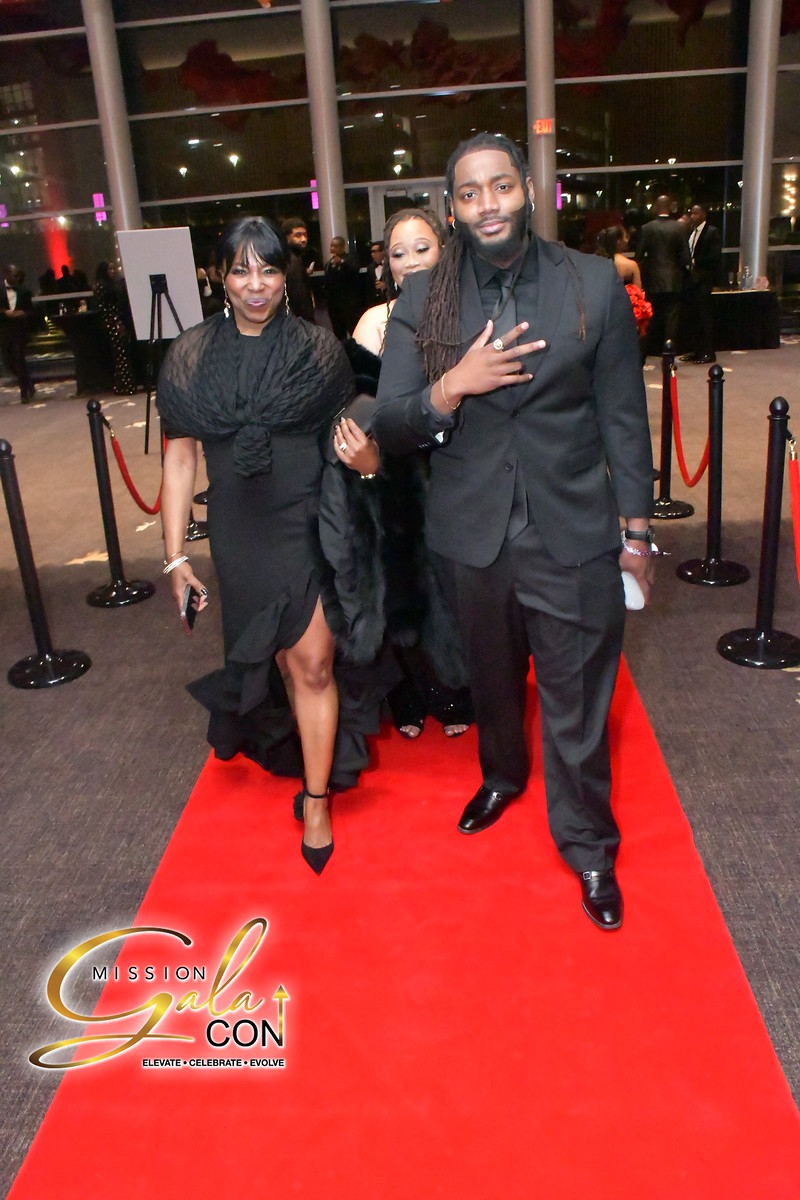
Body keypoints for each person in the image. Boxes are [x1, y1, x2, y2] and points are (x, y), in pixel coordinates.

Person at [373, 133, 656, 930]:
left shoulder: (591, 284)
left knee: (577, 698)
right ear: (452, 208)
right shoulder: (423, 297)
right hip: (471, 533)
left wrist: (638, 533)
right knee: (491, 680)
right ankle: (501, 775)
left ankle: (589, 845)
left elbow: (624, 418)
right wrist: (451, 388)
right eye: (469, 193)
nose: (487, 204)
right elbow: (390, 422)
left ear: (529, 189)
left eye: (500, 186)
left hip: (573, 527)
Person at [157, 216, 356, 875]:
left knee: (314, 662)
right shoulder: (190, 355)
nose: (256, 284)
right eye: (241, 270)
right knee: (281, 660)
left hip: (307, 518)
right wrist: (176, 557)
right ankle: (291, 742)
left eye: (269, 269)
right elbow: (180, 460)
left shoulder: (317, 350)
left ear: (284, 275)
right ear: (220, 276)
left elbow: (342, 439)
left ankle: (317, 799)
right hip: (239, 531)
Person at [341, 207, 473, 739]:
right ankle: (409, 694)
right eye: (399, 253)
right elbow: (359, 405)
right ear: (386, 264)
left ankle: (460, 690)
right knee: (402, 584)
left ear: (445, 250)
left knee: (455, 586)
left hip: (457, 464)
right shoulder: (373, 322)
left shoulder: (468, 308)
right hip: (391, 471)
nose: (412, 261)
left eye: (423, 248)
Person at [636, 194, 690, 357]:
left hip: (653, 279)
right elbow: (685, 257)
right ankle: (669, 349)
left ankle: (647, 349)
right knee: (671, 317)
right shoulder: (679, 228)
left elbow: (639, 255)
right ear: (670, 207)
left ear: (657, 207)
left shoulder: (647, 228)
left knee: (650, 316)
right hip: (673, 279)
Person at [680, 203, 722, 364]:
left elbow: (714, 256)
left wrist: (695, 261)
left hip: (704, 280)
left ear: (704, 214)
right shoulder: (691, 232)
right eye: (691, 213)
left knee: (704, 317)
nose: (692, 216)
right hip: (692, 281)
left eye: (696, 213)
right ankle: (696, 350)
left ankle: (708, 352)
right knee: (694, 317)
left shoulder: (711, 232)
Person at [93, 261, 138, 394]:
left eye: (113, 269)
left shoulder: (110, 284)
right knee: (121, 355)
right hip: (113, 322)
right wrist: (116, 321)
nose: (112, 272)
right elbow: (107, 307)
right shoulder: (103, 286)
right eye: (109, 269)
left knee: (122, 354)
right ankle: (124, 385)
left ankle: (124, 385)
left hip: (115, 321)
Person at [0, 265, 35, 403]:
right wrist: (5, 312)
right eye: (15, 276)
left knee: (19, 359)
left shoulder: (24, 291)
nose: (17, 278)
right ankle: (28, 383)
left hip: (19, 331)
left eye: (18, 275)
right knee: (8, 361)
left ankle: (24, 393)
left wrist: (23, 313)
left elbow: (32, 311)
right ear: (6, 275)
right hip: (4, 330)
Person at [324, 236, 363, 340]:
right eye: (331, 246)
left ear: (342, 247)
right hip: (334, 306)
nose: (332, 249)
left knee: (354, 332)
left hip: (349, 305)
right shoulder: (328, 264)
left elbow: (355, 270)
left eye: (335, 246)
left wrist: (341, 262)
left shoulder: (350, 259)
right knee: (338, 334)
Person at [281, 216, 317, 323]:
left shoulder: (288, 257)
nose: (303, 239)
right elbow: (300, 298)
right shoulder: (293, 261)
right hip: (298, 321)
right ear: (286, 237)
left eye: (305, 235)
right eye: (298, 235)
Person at [366, 240, 387, 304]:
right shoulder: (370, 268)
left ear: (382, 252)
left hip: (388, 300)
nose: (372, 254)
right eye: (371, 252)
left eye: (375, 252)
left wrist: (386, 286)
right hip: (374, 302)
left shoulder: (390, 266)